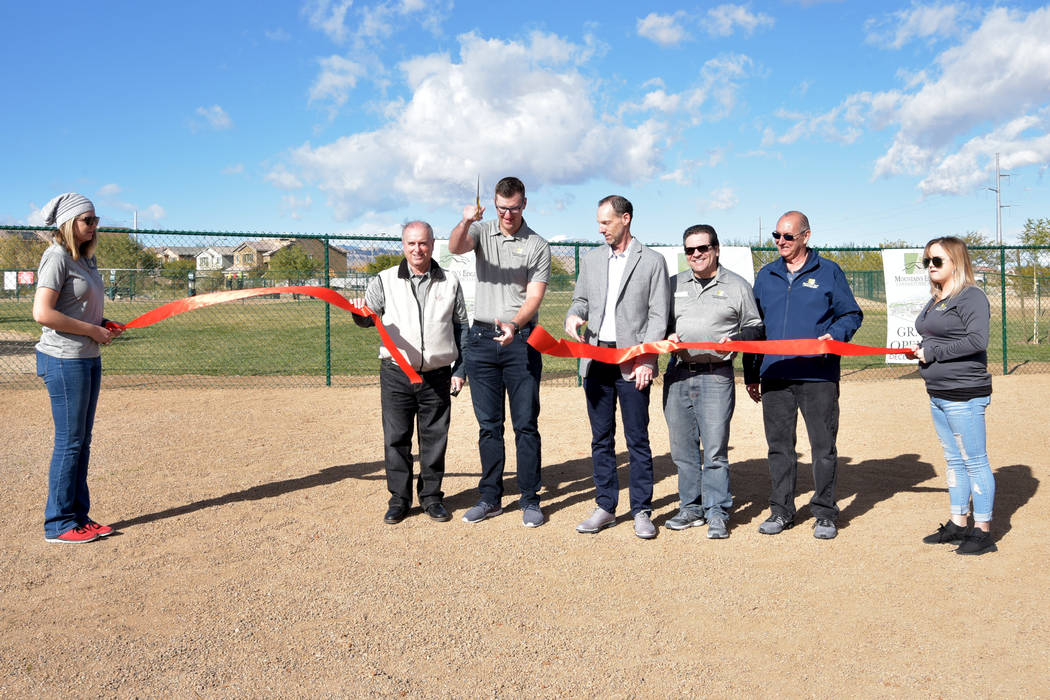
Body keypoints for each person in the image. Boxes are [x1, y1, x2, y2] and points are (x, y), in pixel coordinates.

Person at [744, 211, 862, 540]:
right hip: (776, 376)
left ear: (806, 237)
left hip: (818, 376)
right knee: (779, 447)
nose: (781, 242)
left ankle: (824, 512)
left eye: (788, 237)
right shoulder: (766, 275)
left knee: (822, 448)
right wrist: (752, 372)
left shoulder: (829, 272)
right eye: (776, 236)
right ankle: (781, 510)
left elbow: (851, 313)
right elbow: (755, 328)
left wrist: (836, 335)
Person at [448, 177, 552, 527]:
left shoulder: (537, 244)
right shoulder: (482, 231)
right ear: (494, 206)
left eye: (515, 207)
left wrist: (516, 324)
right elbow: (455, 247)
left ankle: (529, 499)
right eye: (502, 208)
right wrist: (466, 221)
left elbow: (535, 296)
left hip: (520, 341)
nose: (508, 214)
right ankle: (490, 497)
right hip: (480, 340)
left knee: (525, 424)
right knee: (489, 426)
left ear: (525, 204)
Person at [565, 196, 670, 539]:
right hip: (596, 358)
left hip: (632, 360)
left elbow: (659, 315)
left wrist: (648, 358)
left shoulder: (652, 261)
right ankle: (606, 507)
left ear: (626, 219)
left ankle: (641, 510)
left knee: (637, 438)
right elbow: (580, 299)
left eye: (606, 222)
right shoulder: (593, 259)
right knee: (601, 437)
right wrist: (573, 315)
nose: (600, 228)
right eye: (598, 222)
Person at [353, 221, 468, 524]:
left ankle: (431, 498)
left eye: (424, 243)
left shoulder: (450, 281)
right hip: (396, 374)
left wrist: (461, 369)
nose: (418, 249)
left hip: (437, 374)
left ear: (432, 244)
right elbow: (368, 319)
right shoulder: (384, 280)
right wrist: (358, 313)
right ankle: (399, 499)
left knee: (434, 439)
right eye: (411, 243)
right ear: (403, 245)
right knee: (396, 438)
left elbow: (462, 328)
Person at [33, 193, 123, 543]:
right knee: (70, 442)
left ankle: (78, 518)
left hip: (87, 356)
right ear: (69, 223)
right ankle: (58, 524)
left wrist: (102, 323)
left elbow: (78, 308)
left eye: (95, 219)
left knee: (82, 442)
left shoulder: (86, 259)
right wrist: (92, 330)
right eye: (88, 220)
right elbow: (43, 313)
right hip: (63, 358)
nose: (94, 225)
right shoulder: (55, 257)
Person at [663, 225, 763, 539]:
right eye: (689, 250)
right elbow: (659, 323)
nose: (695, 255)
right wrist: (666, 335)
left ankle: (717, 511)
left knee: (715, 450)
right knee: (682, 449)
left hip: (716, 375)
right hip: (679, 373)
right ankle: (690, 508)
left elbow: (755, 328)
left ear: (716, 249)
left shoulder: (737, 285)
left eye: (702, 249)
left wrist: (734, 341)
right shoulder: (673, 284)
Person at [910, 237, 996, 555]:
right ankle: (959, 523)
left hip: (964, 391)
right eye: (927, 261)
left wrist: (932, 351)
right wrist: (920, 352)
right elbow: (933, 339)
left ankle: (983, 531)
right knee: (953, 460)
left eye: (937, 261)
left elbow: (977, 340)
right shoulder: (936, 298)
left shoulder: (970, 296)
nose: (930, 266)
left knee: (974, 461)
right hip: (939, 391)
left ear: (956, 263)